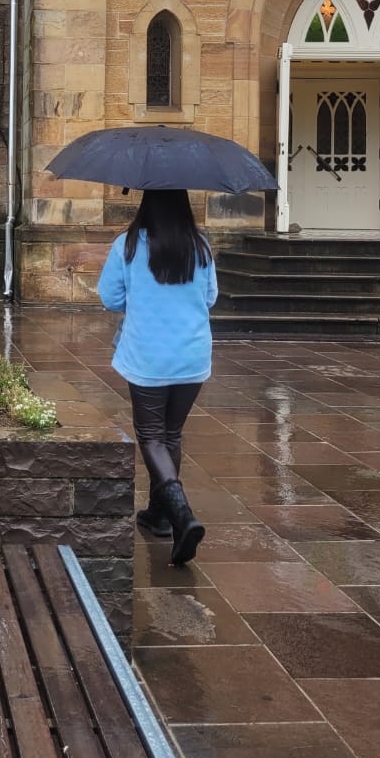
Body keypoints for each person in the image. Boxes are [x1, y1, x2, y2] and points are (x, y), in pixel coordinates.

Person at [97, 188, 217, 566]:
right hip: (192, 356)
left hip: (148, 357)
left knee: (151, 436)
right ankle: (159, 514)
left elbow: (109, 297)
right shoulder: (200, 246)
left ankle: (181, 515)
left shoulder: (128, 244)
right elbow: (210, 296)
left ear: (146, 204)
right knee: (171, 435)